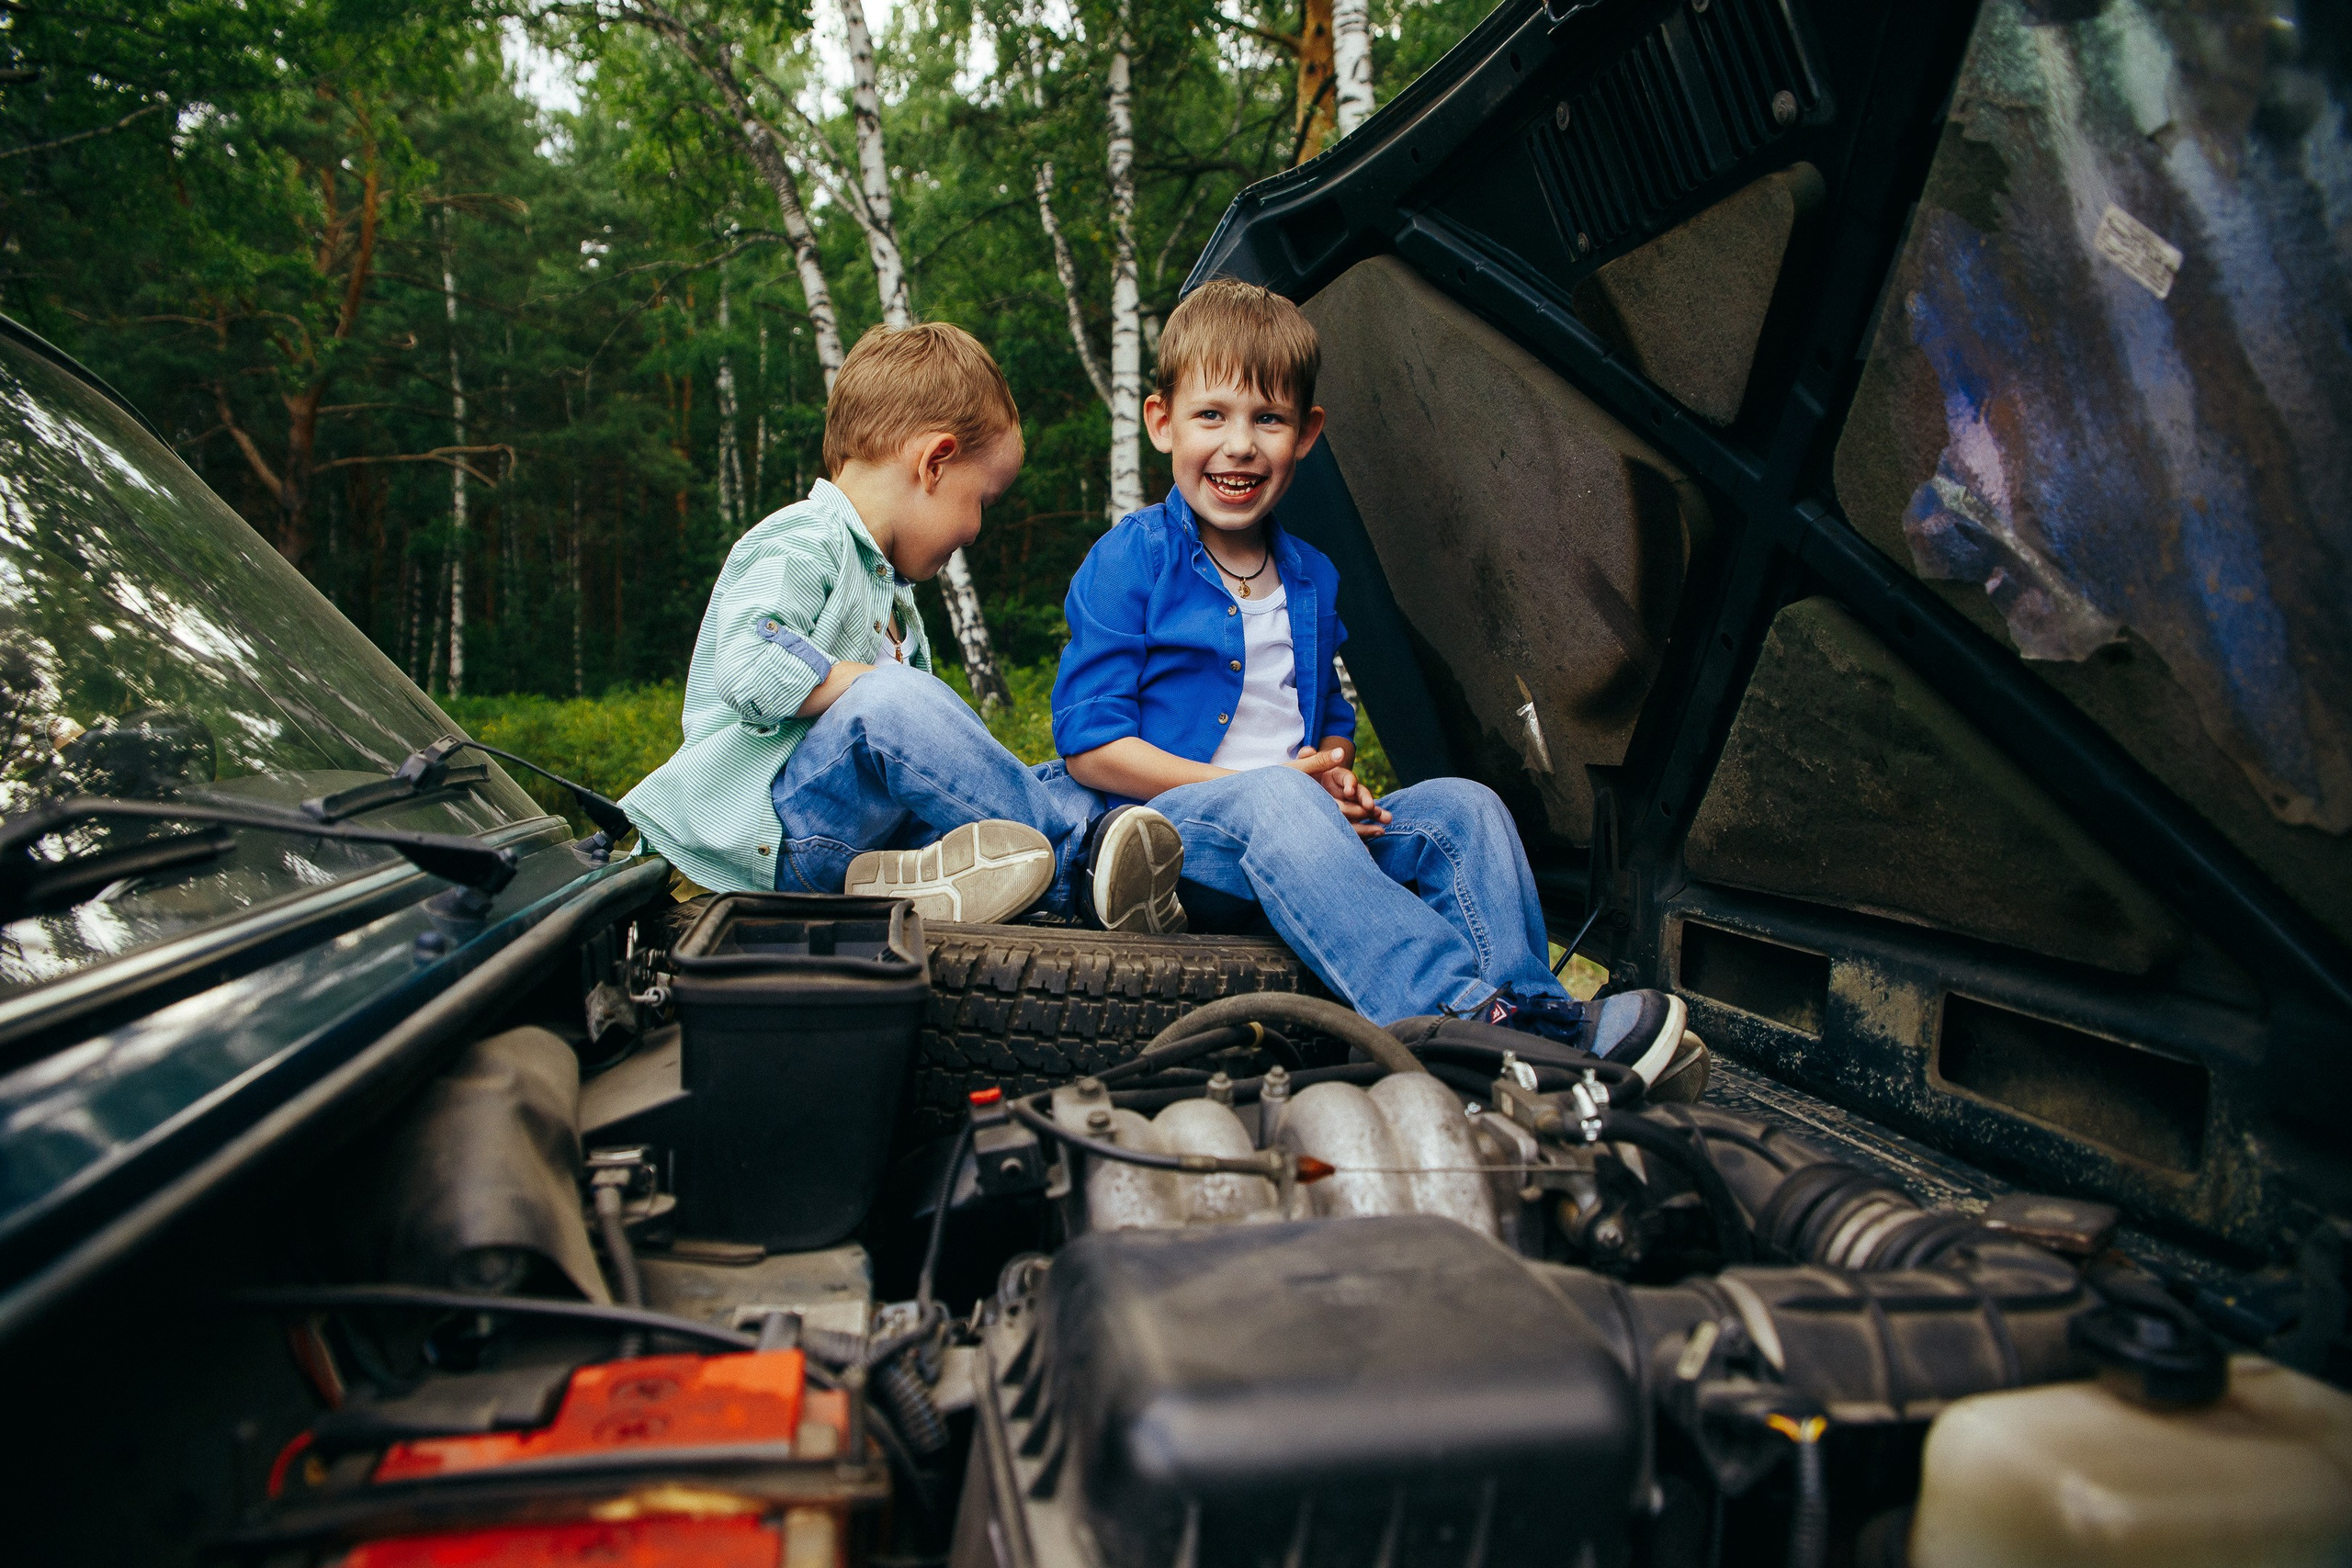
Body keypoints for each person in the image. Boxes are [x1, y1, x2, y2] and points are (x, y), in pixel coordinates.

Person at [1052, 279, 1696, 1086]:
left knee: (1463, 806)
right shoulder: (1131, 558)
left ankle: (1538, 1017)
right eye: (1211, 415)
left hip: (1306, 833)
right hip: (1179, 843)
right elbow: (1090, 745)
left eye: (1269, 419)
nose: (1240, 444)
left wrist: (1333, 774)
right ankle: (1460, 1022)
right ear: (1161, 422)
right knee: (1276, 800)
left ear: (1307, 433)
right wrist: (1268, 789)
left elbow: (1327, 715)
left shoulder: (1311, 575)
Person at [622, 321, 1183, 931]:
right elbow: (749, 662)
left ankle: (922, 877)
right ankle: (1078, 870)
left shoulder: (894, 600)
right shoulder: (802, 536)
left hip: (861, 838)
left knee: (1062, 781)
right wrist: (874, 685)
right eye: (982, 502)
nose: (976, 530)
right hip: (777, 834)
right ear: (935, 462)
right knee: (891, 700)